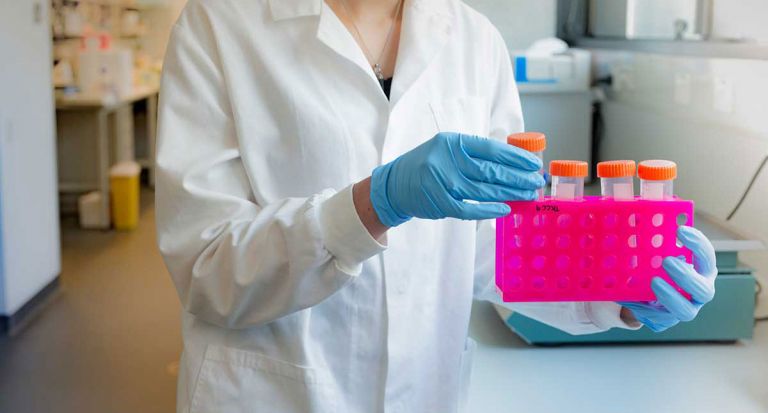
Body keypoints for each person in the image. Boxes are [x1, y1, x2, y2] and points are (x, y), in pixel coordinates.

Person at [155, 0, 717, 411]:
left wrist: (617, 288)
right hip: (274, 393)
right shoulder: (220, 24)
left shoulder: (473, 39)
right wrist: (371, 205)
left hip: (426, 390)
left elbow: (498, 250)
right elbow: (207, 267)